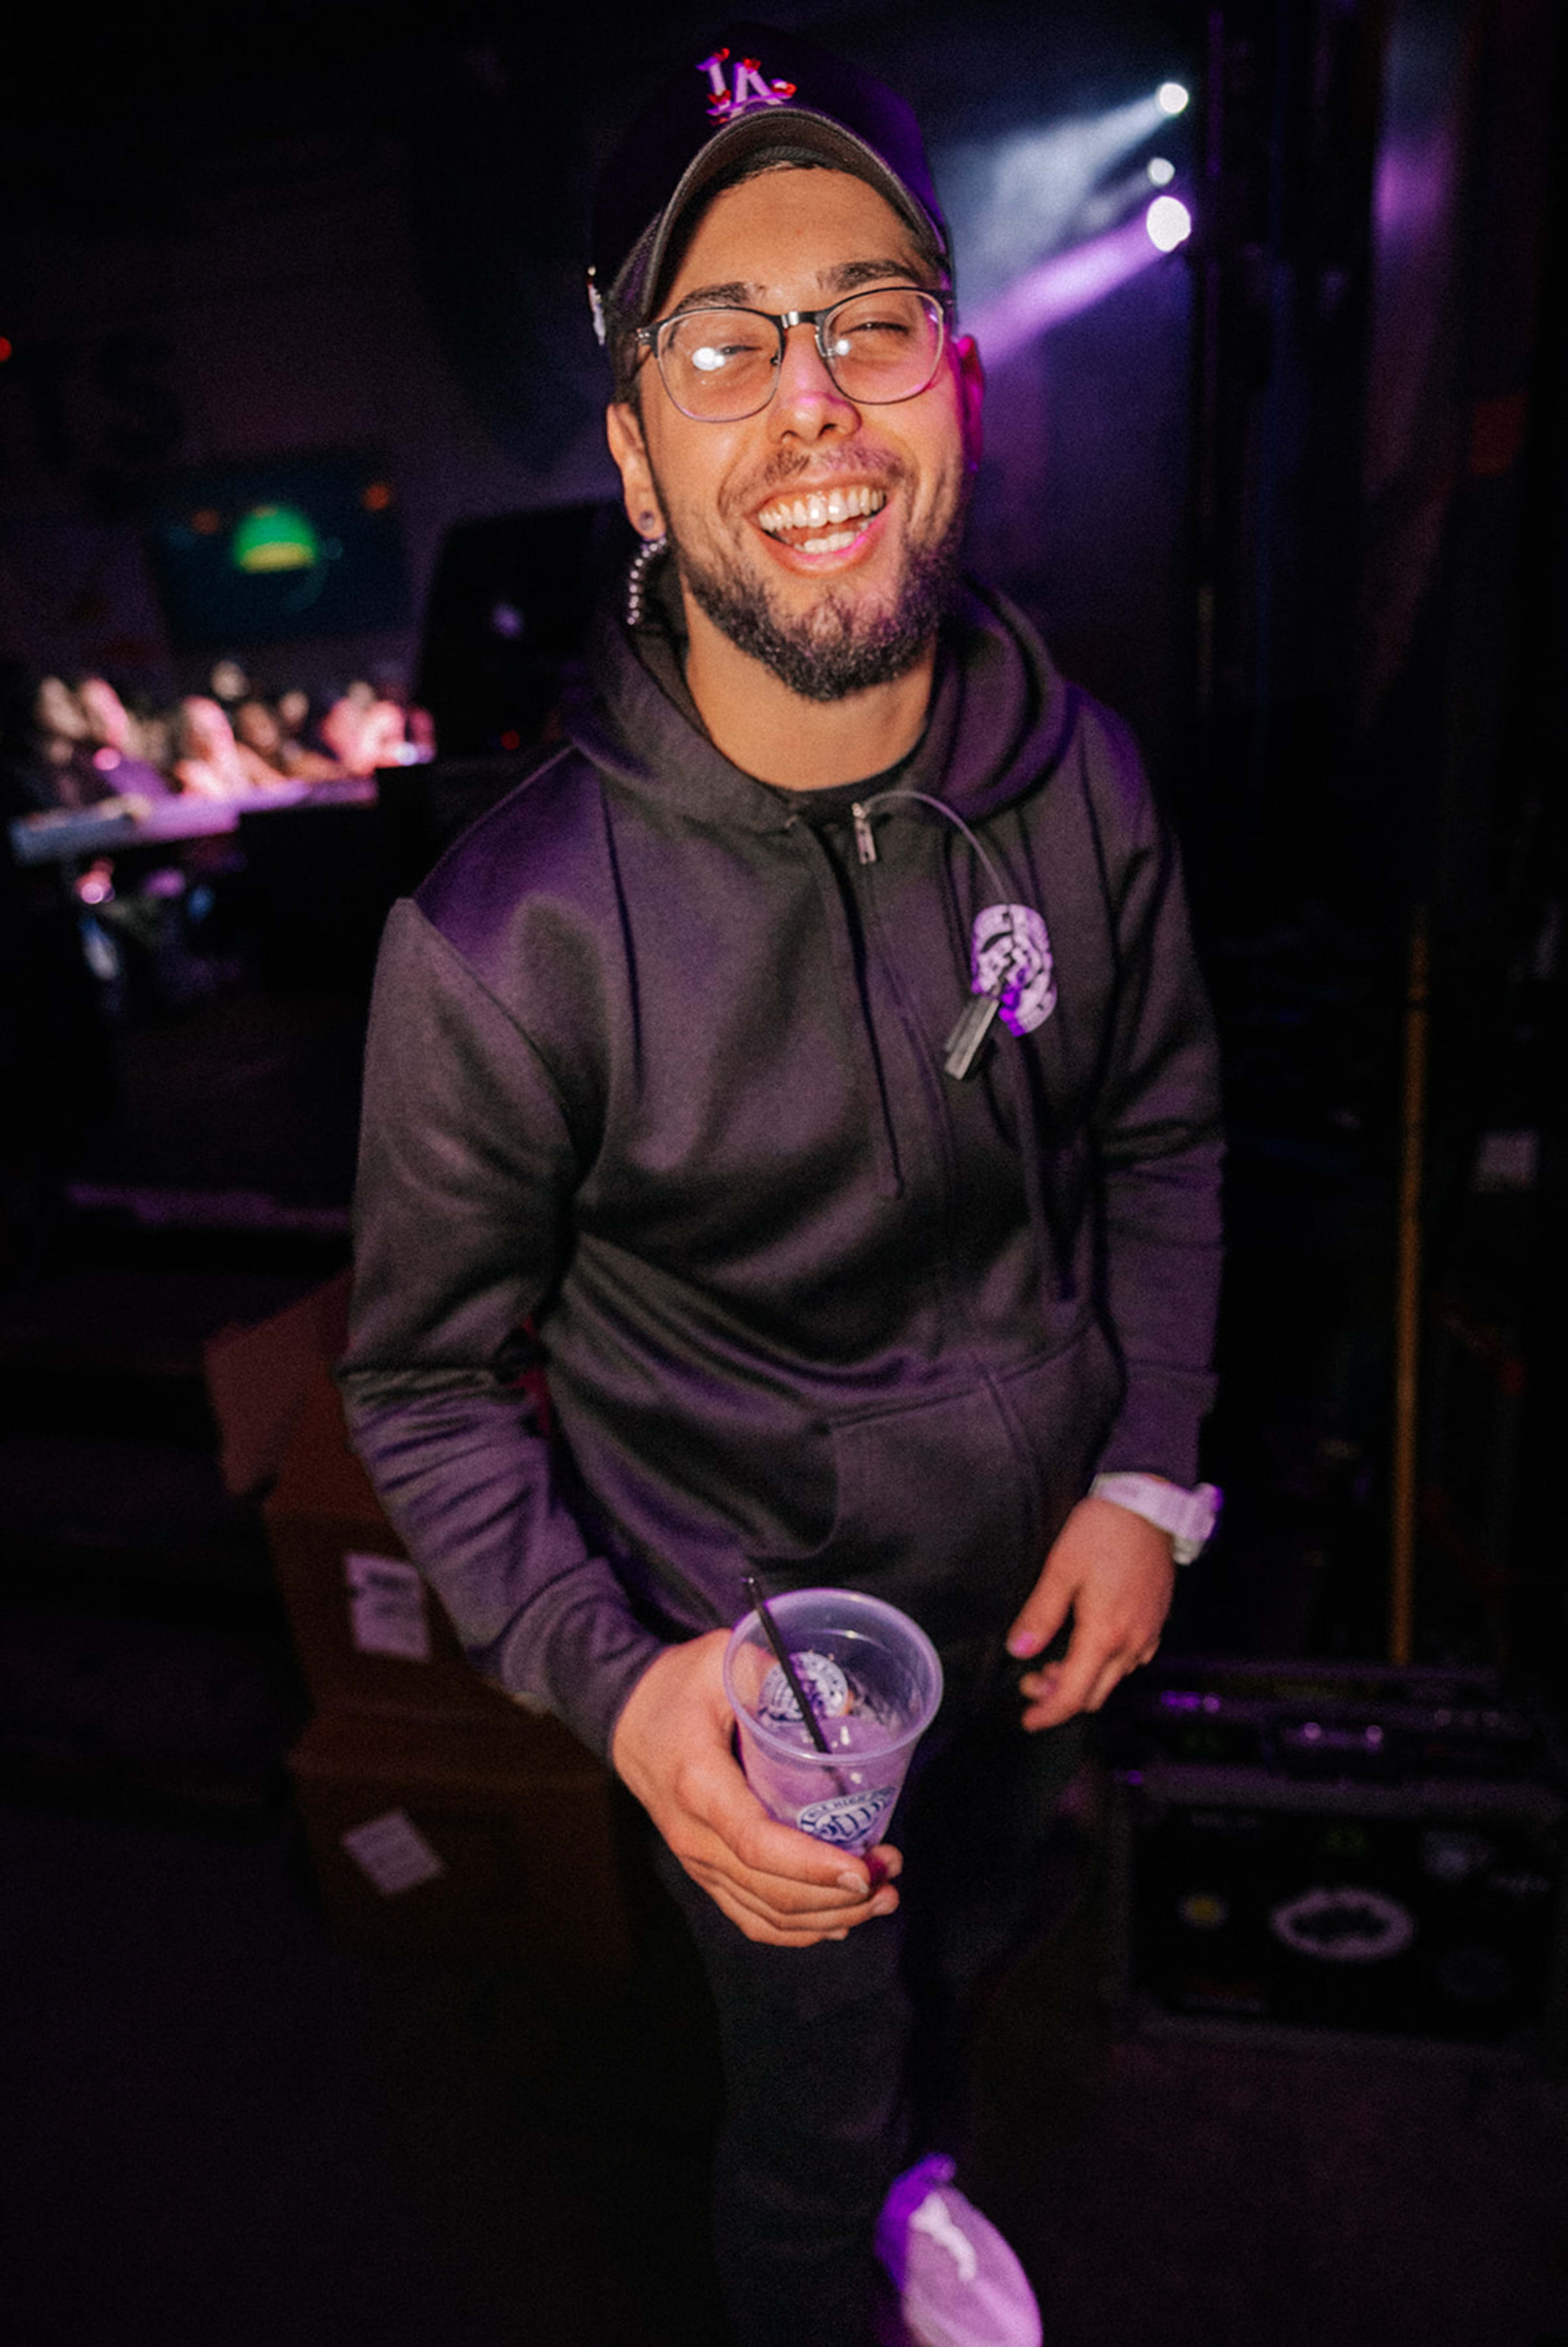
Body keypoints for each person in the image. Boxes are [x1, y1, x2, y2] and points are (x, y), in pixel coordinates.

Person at [340, 26, 1223, 2347]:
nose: (811, 399)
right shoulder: (504, 940)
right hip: (770, 1696)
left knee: (981, 1956)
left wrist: (1146, 1477)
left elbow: (1161, 1130)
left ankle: (927, 2166)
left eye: (868, 319)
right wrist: (626, 1697)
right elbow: (421, 1388)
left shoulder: (1082, 776)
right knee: (801, 2138)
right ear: (635, 460)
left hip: (1038, 1604)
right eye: (724, 345)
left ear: (957, 376)